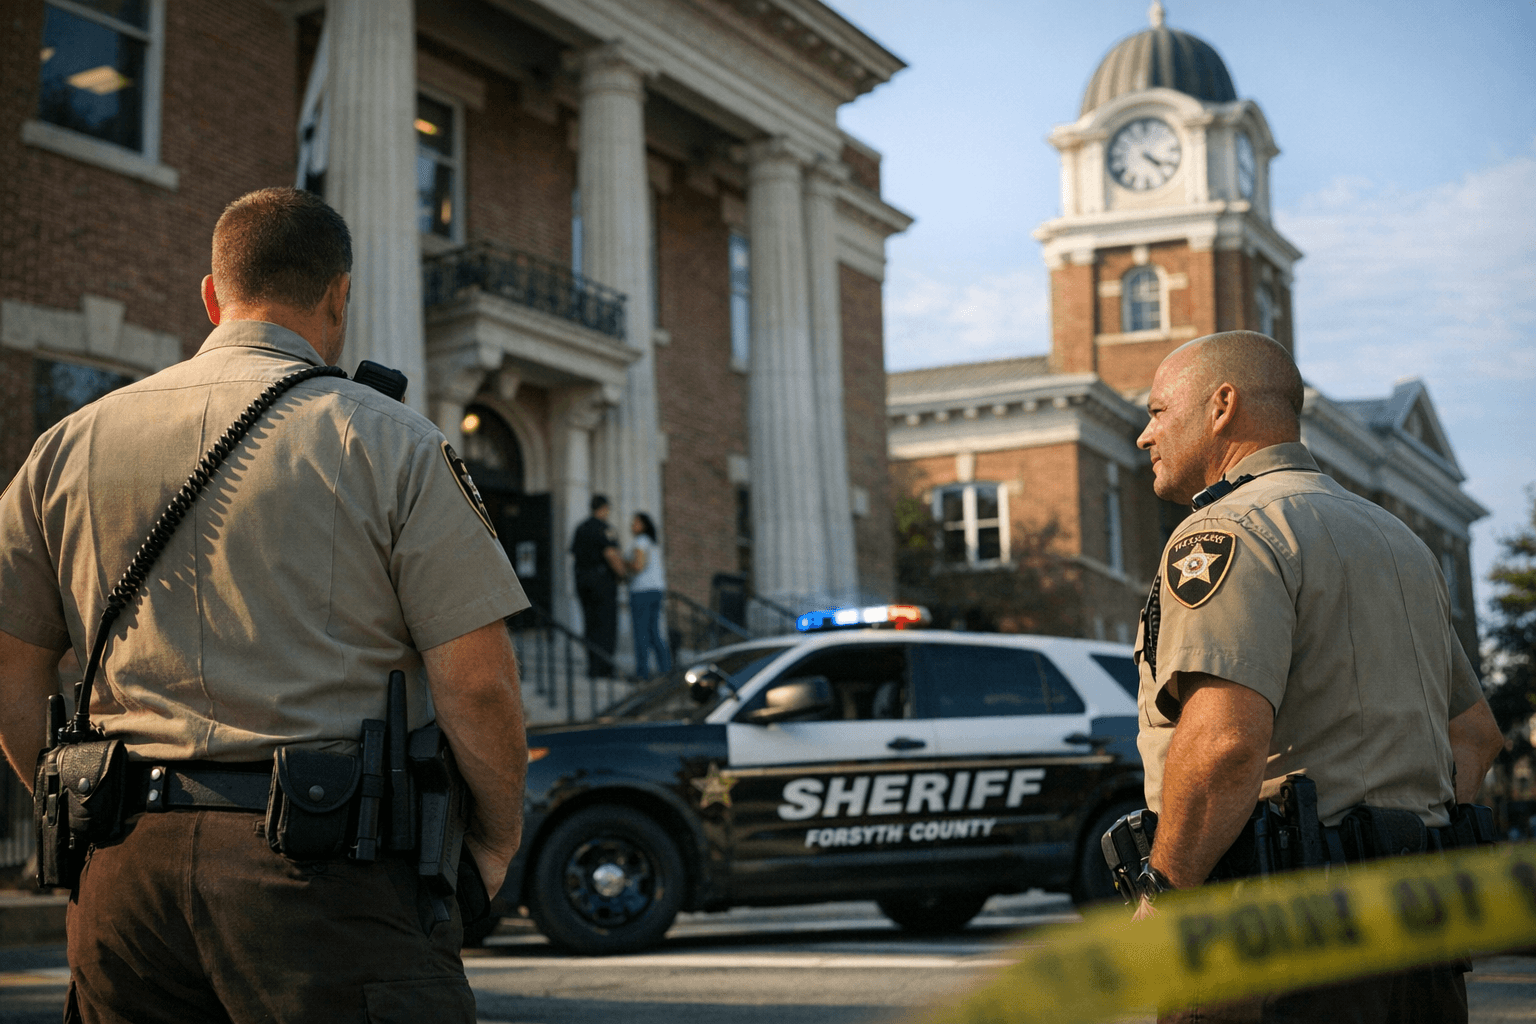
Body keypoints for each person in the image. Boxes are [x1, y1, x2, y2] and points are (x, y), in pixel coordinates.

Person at [0, 187, 529, 1023]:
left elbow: (10, 676)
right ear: (340, 295)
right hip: (329, 881)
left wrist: (80, 810)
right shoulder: (392, 441)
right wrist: (496, 841)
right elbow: (479, 684)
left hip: (124, 879)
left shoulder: (68, 444)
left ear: (212, 295)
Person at [1131, 331, 1504, 1024]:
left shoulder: (1226, 532)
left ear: (1222, 406)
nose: (1143, 435)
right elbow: (1476, 734)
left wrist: (1166, 892)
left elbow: (1224, 745)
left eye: (1157, 411)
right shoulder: (1402, 542)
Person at [571, 494, 626, 678]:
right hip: (602, 583)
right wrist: (623, 575)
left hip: (582, 581)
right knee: (606, 625)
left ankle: (593, 667)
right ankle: (604, 669)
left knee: (590, 625)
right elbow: (611, 554)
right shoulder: (604, 528)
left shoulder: (581, 528)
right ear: (603, 508)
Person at [626, 512, 671, 679]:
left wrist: (623, 563)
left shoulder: (640, 541)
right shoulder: (653, 543)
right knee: (654, 632)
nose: (632, 525)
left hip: (641, 591)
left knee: (641, 633)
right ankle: (666, 669)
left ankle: (642, 672)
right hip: (656, 591)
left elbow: (638, 565)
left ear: (643, 525)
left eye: (635, 522)